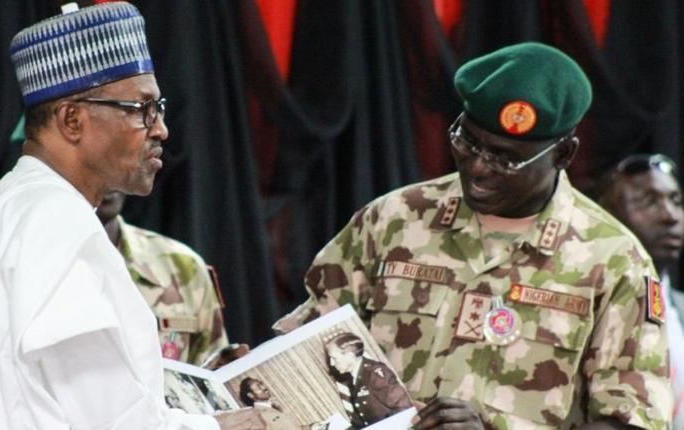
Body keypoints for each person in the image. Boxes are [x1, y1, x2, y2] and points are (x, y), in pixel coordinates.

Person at [274, 42, 672, 429]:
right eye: (467, 143)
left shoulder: (612, 260)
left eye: (505, 158)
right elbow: (306, 343)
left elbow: (630, 421)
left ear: (563, 154)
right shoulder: (394, 219)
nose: (479, 170)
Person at [0, 3, 263, 429]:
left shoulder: (8, 208)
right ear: (72, 120)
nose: (160, 130)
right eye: (141, 109)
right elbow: (109, 419)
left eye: (159, 108)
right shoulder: (50, 219)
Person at [597, 154, 684, 429]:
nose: (670, 215)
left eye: (676, 200)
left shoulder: (679, 309)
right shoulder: (588, 304)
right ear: (607, 215)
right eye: (649, 201)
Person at [96, 190, 229, 365]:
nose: (109, 175)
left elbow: (212, 377)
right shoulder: (51, 263)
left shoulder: (181, 266)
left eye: (117, 160)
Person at [324, 332, 412, 428]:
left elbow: (405, 408)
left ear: (349, 356)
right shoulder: (355, 378)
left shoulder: (374, 373)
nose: (332, 364)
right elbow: (362, 421)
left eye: (334, 358)